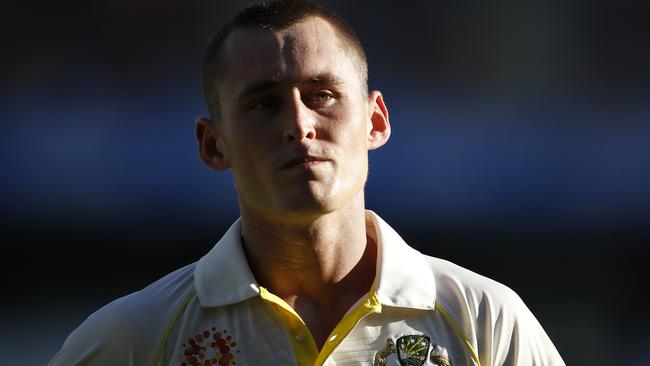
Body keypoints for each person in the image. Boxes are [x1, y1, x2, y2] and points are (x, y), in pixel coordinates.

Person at [50, 1, 564, 365]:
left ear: (375, 121)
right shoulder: (138, 338)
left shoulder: (483, 322)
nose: (298, 124)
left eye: (322, 95)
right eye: (262, 103)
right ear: (213, 145)